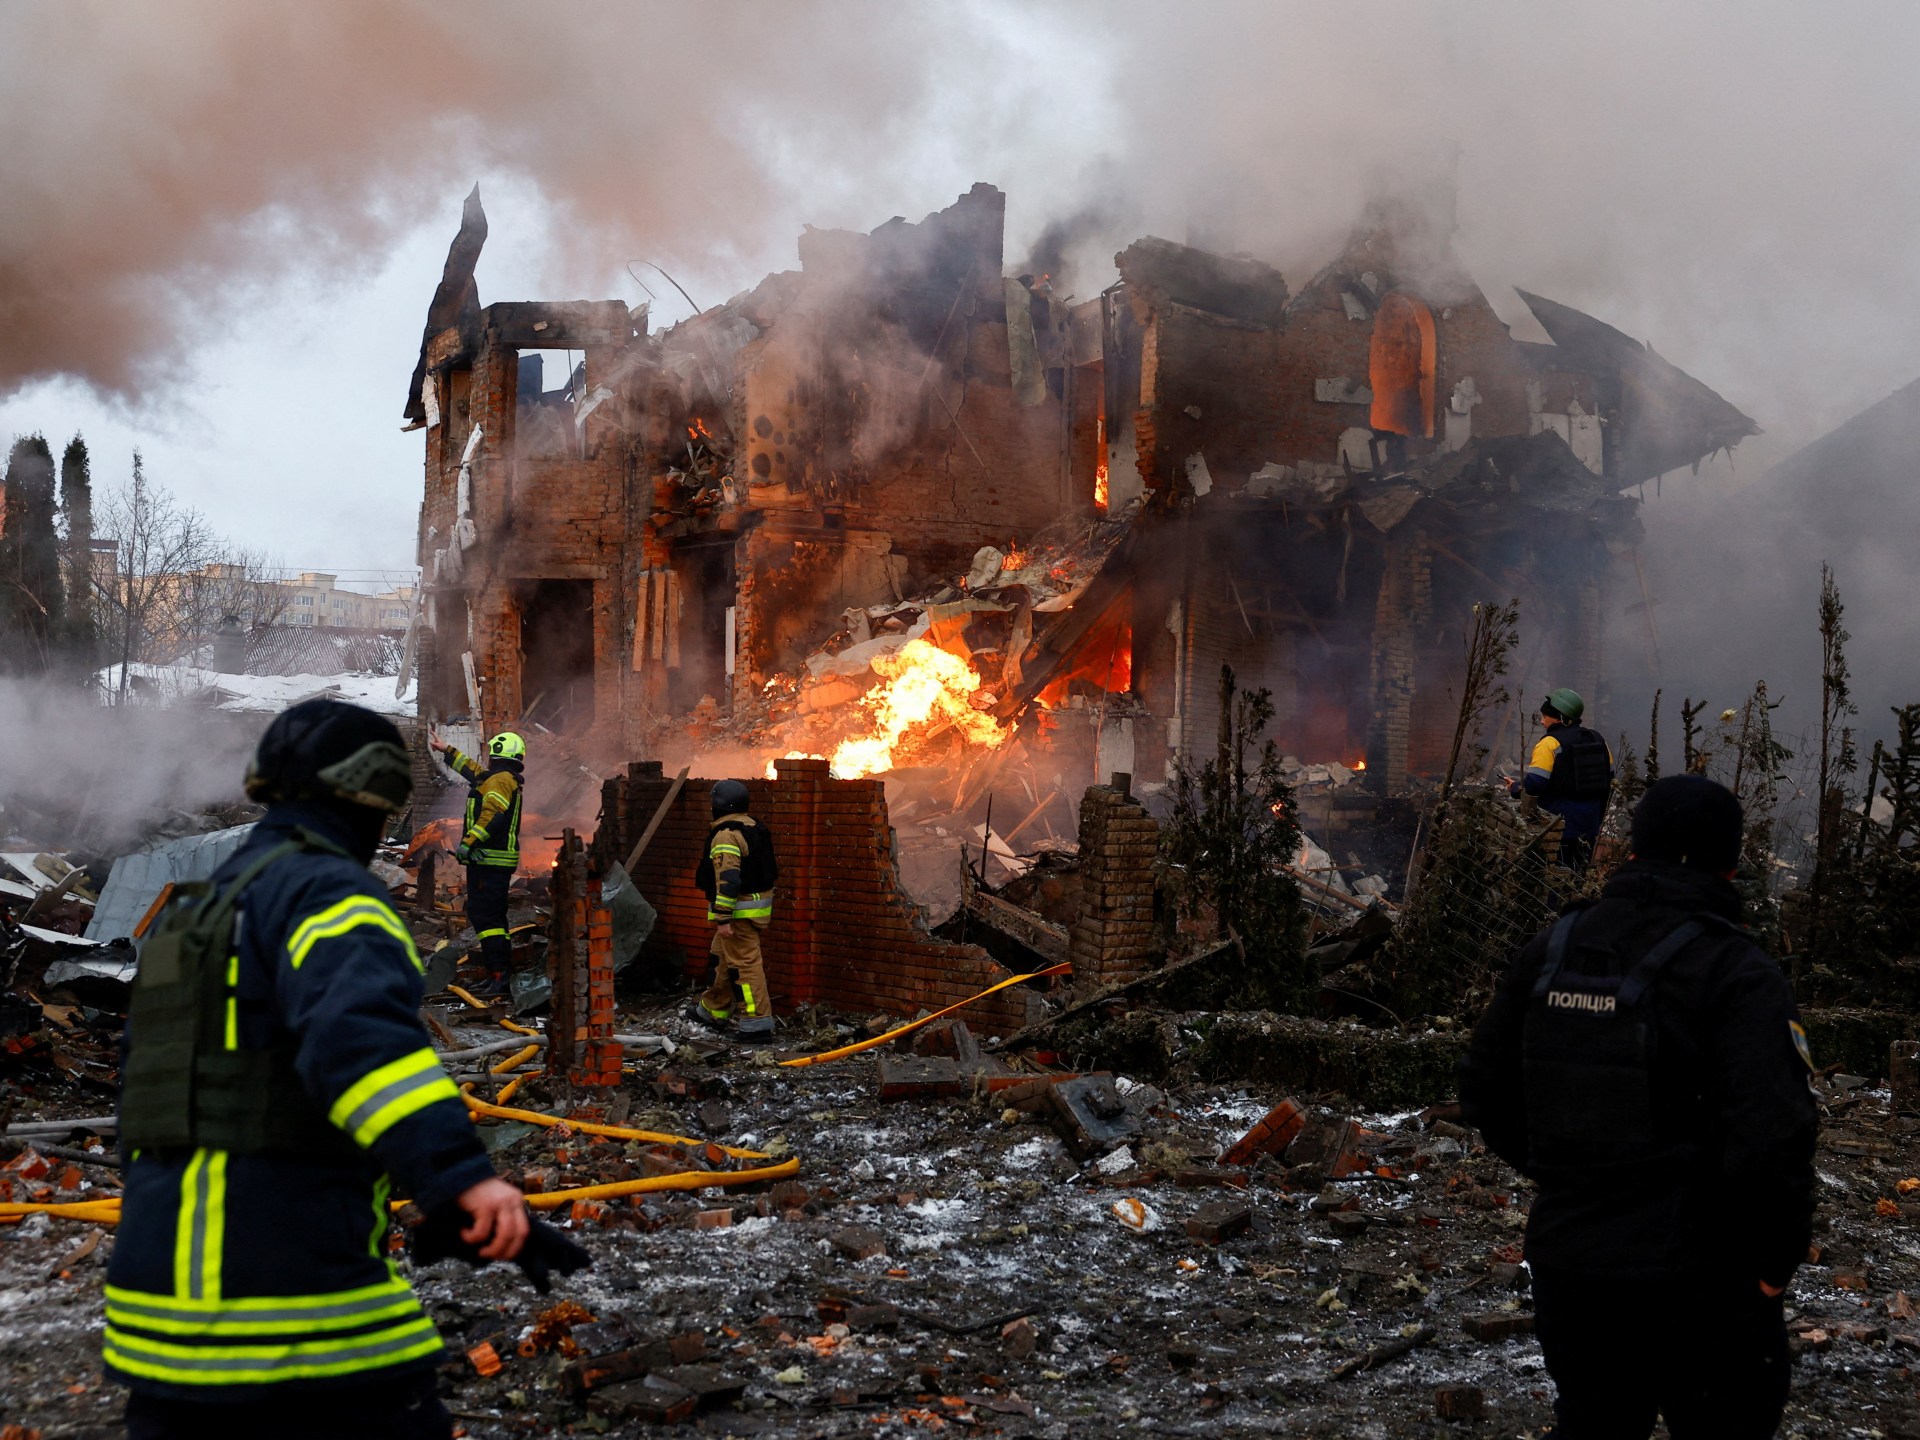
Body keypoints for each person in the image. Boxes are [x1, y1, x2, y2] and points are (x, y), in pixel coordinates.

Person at [106, 700, 529, 1439]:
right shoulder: (331, 898)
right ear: (367, 798)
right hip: (288, 1299)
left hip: (155, 1316)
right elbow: (365, 1046)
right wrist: (461, 1178)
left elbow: (143, 1093)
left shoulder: (190, 919)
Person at [1460, 774, 1817, 1439]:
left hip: (1573, 1267)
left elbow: (1484, 1090)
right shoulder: (1738, 971)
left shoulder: (1557, 948)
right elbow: (1774, 1137)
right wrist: (1774, 1265)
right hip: (1704, 1284)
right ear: (1730, 866)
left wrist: (1568, 1175)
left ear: (1631, 849)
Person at [429, 729, 526, 998]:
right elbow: (474, 772)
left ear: (496, 754)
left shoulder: (501, 781)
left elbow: (492, 816)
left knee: (489, 919)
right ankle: (495, 975)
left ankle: (500, 977)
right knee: (486, 917)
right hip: (489, 863)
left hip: (491, 864)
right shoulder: (497, 778)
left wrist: (468, 843)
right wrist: (447, 750)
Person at [689, 778, 777, 1042]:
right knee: (721, 961)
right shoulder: (751, 826)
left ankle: (757, 1023)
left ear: (718, 805)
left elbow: (728, 879)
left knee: (745, 967)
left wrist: (723, 918)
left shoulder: (726, 834)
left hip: (737, 915)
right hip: (749, 910)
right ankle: (712, 1011)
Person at [1509, 688, 1614, 872]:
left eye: (1545, 716)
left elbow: (1534, 785)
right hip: (1589, 827)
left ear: (1560, 718)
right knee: (1578, 876)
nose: (1542, 721)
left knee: (1552, 877)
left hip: (1558, 828)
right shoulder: (1598, 739)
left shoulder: (1549, 743)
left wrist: (1516, 787)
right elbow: (1609, 778)